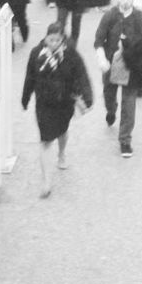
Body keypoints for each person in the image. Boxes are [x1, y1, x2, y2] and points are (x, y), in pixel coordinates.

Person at [21, 23, 94, 198]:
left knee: (62, 131)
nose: (54, 43)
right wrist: (25, 98)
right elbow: (29, 77)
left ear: (62, 40)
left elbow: (82, 75)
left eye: (57, 40)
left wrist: (87, 96)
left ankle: (61, 154)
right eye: (51, 40)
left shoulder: (70, 55)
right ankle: (46, 181)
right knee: (46, 139)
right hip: (44, 103)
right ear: (45, 38)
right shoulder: (36, 54)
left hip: (64, 102)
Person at [93, 0, 142, 159]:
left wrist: (131, 46)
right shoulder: (110, 16)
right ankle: (111, 110)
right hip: (111, 65)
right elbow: (98, 41)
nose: (125, 1)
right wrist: (102, 58)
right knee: (109, 96)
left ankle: (125, 140)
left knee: (129, 104)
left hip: (131, 66)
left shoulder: (140, 18)